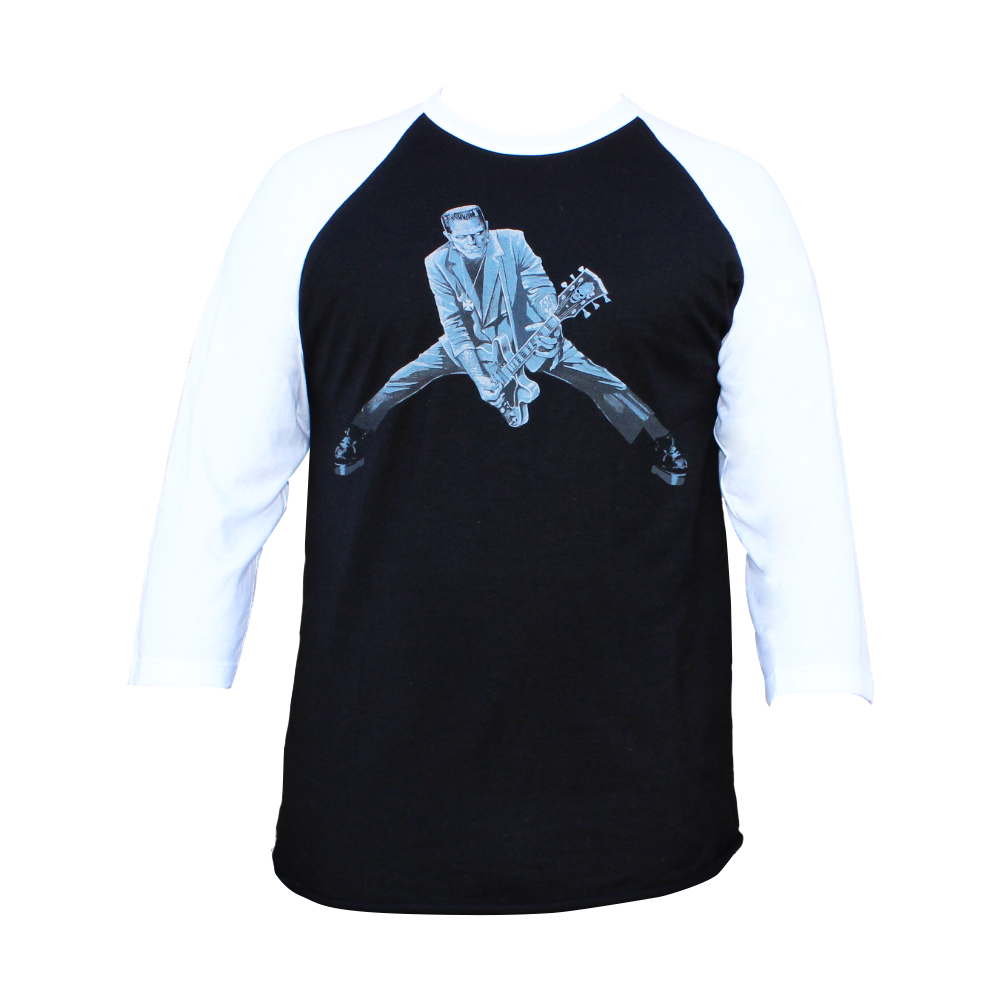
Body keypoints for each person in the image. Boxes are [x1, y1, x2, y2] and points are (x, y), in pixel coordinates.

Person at [332, 205, 688, 484]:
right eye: (464, 237)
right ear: (448, 237)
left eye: (479, 233)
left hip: (529, 334)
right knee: (405, 377)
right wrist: (479, 377)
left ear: (486, 226)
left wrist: (550, 312)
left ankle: (662, 441)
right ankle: (355, 433)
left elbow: (538, 283)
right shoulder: (436, 262)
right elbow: (453, 324)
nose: (475, 241)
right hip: (472, 343)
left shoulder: (513, 241)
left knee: (599, 378)